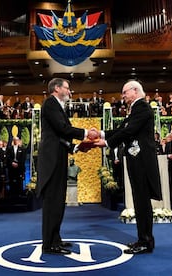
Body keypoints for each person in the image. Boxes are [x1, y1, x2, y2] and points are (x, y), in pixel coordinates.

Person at [94, 80, 162, 255]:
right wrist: (100, 134)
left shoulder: (142, 107)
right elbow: (122, 129)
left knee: (142, 202)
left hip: (141, 162)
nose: (123, 96)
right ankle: (144, 239)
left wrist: (106, 142)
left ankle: (145, 241)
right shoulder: (136, 109)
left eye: (125, 92)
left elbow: (128, 131)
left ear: (135, 91)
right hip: (136, 161)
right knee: (140, 201)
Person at [36, 77, 98, 255]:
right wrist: (87, 133)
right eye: (67, 88)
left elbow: (60, 136)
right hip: (52, 160)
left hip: (59, 157)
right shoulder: (50, 104)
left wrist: (76, 147)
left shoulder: (56, 105)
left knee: (58, 201)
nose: (70, 92)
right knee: (52, 202)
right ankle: (49, 244)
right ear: (56, 88)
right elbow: (62, 129)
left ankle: (55, 239)